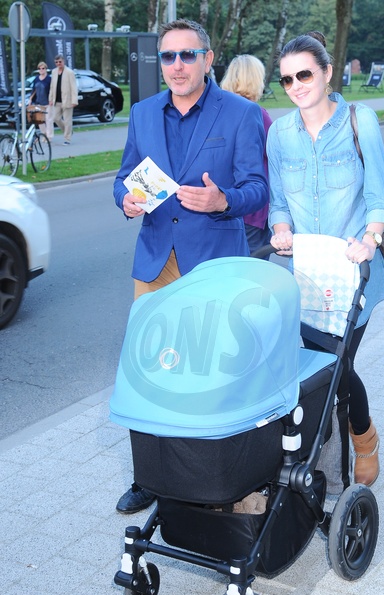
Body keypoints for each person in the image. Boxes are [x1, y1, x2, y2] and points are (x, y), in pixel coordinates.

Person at [113, 18, 268, 513]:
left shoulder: (241, 113)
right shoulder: (142, 113)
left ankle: (221, 478)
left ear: (207, 59)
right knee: (147, 372)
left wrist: (223, 201)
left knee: (213, 376)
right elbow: (124, 176)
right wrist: (125, 200)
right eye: (168, 56)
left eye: (187, 55)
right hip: (156, 263)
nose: (177, 65)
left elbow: (258, 189)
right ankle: (148, 478)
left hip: (215, 265)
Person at [267, 32, 384, 487]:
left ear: (327, 72)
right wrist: (281, 228)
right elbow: (278, 202)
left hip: (354, 270)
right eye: (286, 79)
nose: (296, 86)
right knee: (317, 363)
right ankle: (315, 441)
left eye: (304, 74)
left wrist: (371, 238)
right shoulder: (280, 134)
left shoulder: (360, 120)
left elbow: (378, 195)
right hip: (306, 274)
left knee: (338, 364)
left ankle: (363, 436)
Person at [220, 54, 272, 254]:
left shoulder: (219, 111)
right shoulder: (256, 113)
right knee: (253, 266)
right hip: (252, 207)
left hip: (226, 202)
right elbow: (274, 153)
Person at [48, 55, 78, 145]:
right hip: (56, 100)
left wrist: (74, 100)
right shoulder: (54, 72)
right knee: (56, 118)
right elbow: (52, 86)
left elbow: (74, 87)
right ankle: (68, 131)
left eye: (60, 62)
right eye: (56, 62)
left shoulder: (69, 72)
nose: (58, 64)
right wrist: (50, 98)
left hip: (67, 100)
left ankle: (67, 139)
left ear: (63, 61)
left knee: (67, 120)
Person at [29, 61, 53, 139]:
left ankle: (49, 136)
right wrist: (30, 99)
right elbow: (34, 89)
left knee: (48, 119)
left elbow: (52, 90)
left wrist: (51, 99)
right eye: (39, 68)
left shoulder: (49, 79)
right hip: (38, 102)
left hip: (47, 102)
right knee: (39, 120)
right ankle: (44, 135)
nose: (41, 70)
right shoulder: (36, 78)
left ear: (46, 69)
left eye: (43, 68)